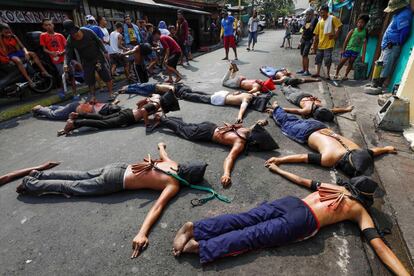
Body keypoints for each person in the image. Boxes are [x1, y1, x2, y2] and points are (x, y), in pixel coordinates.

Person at [172, 170, 410, 276]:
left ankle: (195, 227)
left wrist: (277, 167)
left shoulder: (335, 187)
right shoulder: (358, 210)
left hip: (291, 202)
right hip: (304, 220)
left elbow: (302, 180)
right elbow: (379, 246)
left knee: (244, 218)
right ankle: (202, 247)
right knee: (253, 236)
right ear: (366, 198)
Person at [15, 142, 208, 260]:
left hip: (118, 167)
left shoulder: (173, 165)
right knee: (73, 188)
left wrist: (161, 146)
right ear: (190, 181)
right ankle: (32, 184)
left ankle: (39, 175)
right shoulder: (174, 184)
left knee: (80, 175)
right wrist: (142, 233)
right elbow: (157, 207)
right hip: (115, 181)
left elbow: (163, 155)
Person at [266, 102, 397, 177]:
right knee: (285, 123)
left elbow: (374, 151)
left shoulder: (358, 150)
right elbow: (302, 157)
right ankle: (276, 107)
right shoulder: (330, 159)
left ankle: (276, 111)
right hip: (305, 132)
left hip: (320, 126)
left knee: (294, 120)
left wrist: (386, 149)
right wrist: (279, 160)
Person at [153, 117, 278, 187]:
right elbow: (230, 158)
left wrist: (262, 122)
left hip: (210, 125)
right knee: (184, 131)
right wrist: (226, 174)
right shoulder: (240, 143)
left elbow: (256, 125)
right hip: (207, 133)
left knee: (187, 126)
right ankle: (161, 119)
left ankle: (166, 118)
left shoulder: (246, 131)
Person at [57, 91, 179, 135]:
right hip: (127, 117)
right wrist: (147, 124)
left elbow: (139, 105)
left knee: (101, 118)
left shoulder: (154, 99)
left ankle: (78, 115)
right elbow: (143, 110)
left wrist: (146, 107)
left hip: (128, 112)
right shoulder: (156, 104)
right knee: (103, 124)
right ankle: (75, 124)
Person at [365, 0, 412, 94]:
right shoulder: (398, 14)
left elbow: (405, 31)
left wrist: (396, 42)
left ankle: (379, 84)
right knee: (380, 64)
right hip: (388, 45)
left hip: (392, 46)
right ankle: (375, 82)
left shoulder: (404, 15)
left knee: (385, 66)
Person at [63, 20, 113, 102]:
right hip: (86, 61)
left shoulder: (88, 32)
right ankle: (93, 96)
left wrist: (105, 51)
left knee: (105, 75)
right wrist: (66, 64)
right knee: (90, 80)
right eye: (71, 34)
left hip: (98, 58)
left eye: (74, 33)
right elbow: (68, 54)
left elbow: (99, 41)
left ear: (77, 30)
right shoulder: (70, 40)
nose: (73, 36)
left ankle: (111, 93)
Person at [0, 22, 51, 87]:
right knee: (18, 60)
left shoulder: (14, 37)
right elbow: (4, 50)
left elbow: (23, 47)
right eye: (6, 32)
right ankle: (29, 79)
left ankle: (44, 71)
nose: (8, 33)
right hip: (10, 54)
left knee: (33, 54)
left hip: (18, 52)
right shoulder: (1, 39)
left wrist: (26, 52)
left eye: (9, 31)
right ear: (1, 32)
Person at [280, 85, 353, 121]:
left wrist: (347, 109)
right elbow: (335, 110)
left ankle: (284, 84)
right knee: (287, 89)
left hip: (301, 96)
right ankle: (285, 83)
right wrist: (346, 109)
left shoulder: (316, 108)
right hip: (300, 96)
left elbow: (334, 110)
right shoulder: (308, 110)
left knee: (287, 89)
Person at [334, 14, 369, 80]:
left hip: (356, 50)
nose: (360, 24)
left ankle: (345, 75)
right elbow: (346, 40)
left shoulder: (365, 32)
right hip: (348, 49)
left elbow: (364, 45)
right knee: (342, 62)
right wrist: (343, 49)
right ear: (357, 22)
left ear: (365, 24)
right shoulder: (353, 30)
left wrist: (363, 57)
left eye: (362, 23)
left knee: (351, 62)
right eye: (359, 22)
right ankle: (336, 73)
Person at [312, 5, 343, 79]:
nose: (321, 14)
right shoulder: (320, 22)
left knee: (328, 60)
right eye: (320, 12)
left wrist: (335, 35)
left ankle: (328, 74)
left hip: (329, 44)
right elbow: (316, 34)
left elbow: (340, 26)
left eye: (323, 12)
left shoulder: (332, 18)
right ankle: (318, 73)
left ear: (327, 12)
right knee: (318, 59)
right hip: (320, 44)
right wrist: (314, 46)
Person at [31, 99, 121, 121]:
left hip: (76, 104)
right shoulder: (98, 113)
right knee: (54, 115)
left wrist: (116, 102)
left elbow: (113, 104)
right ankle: (40, 109)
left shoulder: (105, 105)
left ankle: (50, 106)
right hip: (73, 108)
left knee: (63, 110)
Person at [297, 8, 318, 76]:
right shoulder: (306, 20)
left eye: (309, 14)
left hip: (309, 40)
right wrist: (300, 41)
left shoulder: (314, 19)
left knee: (305, 55)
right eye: (307, 14)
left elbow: (312, 29)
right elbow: (303, 30)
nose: (307, 15)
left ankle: (307, 71)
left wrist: (313, 44)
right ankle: (303, 69)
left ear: (312, 14)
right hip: (304, 39)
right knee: (302, 55)